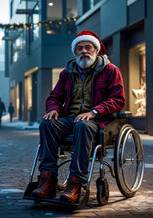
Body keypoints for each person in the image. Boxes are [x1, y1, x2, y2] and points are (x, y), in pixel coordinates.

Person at [31, 30, 125, 203]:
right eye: (80, 48)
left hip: (97, 119)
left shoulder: (110, 70)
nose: (84, 51)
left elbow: (118, 99)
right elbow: (55, 96)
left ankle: (76, 183)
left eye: (88, 47)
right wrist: (53, 109)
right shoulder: (67, 73)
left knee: (83, 125)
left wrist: (94, 111)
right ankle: (47, 179)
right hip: (70, 118)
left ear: (96, 50)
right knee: (47, 124)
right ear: (75, 53)